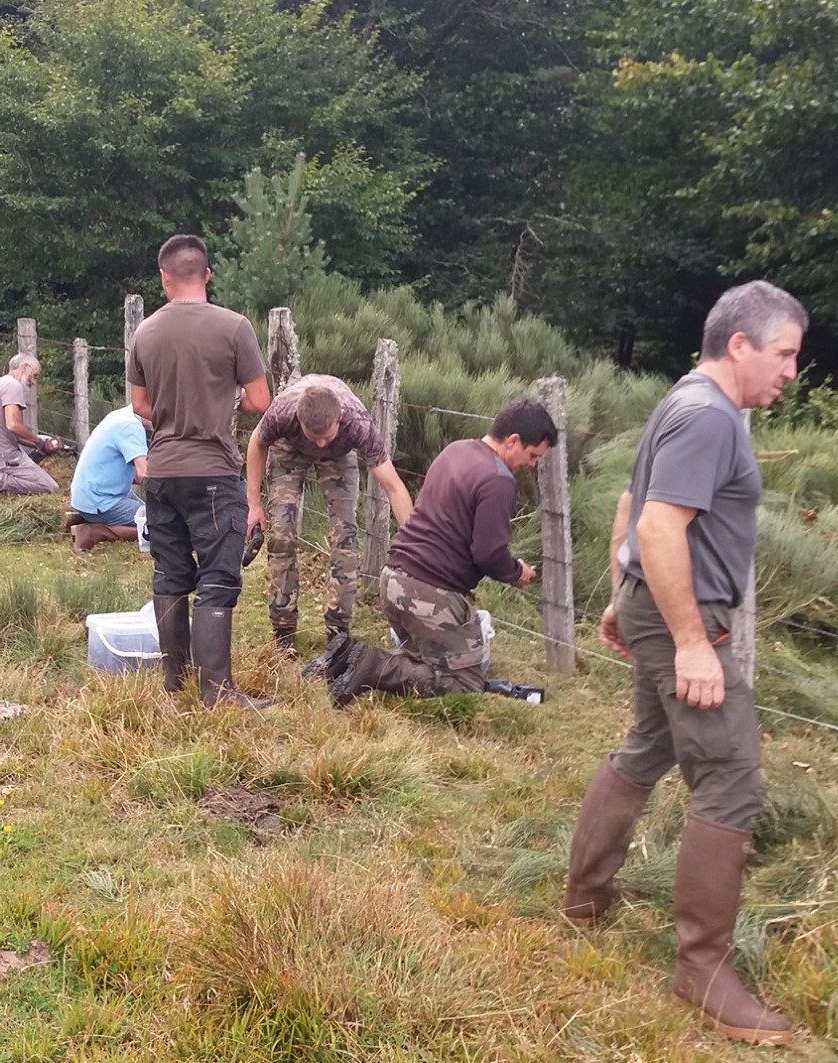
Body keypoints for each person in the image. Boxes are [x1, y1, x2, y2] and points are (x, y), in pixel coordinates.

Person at [560, 280, 806, 1047]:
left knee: (646, 746)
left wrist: (622, 590)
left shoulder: (686, 401)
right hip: (685, 617)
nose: (792, 371)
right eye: (785, 353)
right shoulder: (709, 416)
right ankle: (702, 968)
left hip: (655, 603)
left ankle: (585, 896)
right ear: (739, 344)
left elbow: (635, 502)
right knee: (730, 781)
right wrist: (693, 640)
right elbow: (662, 520)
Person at [324, 399, 556, 706]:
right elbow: (488, 553)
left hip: (392, 580)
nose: (532, 464)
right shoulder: (498, 479)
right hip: (427, 594)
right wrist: (516, 573)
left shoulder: (455, 450)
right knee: (464, 681)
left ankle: (343, 660)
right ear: (513, 440)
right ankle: (373, 666)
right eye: (532, 455)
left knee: (430, 660)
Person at [127, 233, 273, 709]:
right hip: (214, 470)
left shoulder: (144, 332)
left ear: (164, 277)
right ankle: (218, 692)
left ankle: (175, 683)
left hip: (163, 471)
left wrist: (174, 413)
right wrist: (219, 402)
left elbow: (139, 405)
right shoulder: (234, 328)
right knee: (217, 576)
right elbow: (259, 402)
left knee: (170, 573)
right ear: (207, 275)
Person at [244, 374, 414, 651]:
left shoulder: (356, 422)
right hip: (289, 449)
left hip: (340, 455)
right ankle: (283, 627)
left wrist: (412, 539)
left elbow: (393, 485)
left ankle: (338, 630)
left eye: (326, 436)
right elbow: (257, 442)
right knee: (282, 535)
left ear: (339, 420)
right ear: (300, 422)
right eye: (315, 437)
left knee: (345, 538)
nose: (320, 444)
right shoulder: (283, 412)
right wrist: (253, 505)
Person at [66, 404, 149, 551]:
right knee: (161, 524)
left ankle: (84, 518)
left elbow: (135, 475)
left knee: (155, 514)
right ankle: (94, 531)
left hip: (92, 494)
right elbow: (144, 473)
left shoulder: (121, 415)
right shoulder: (130, 426)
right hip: (101, 499)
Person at [0, 353, 58, 495]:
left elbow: (12, 432)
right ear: (25, 367)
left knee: (41, 442)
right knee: (49, 487)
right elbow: (13, 425)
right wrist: (39, 442)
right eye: (35, 375)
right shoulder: (13, 385)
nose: (34, 382)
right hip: (3, 455)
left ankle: (5, 471)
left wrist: (40, 444)